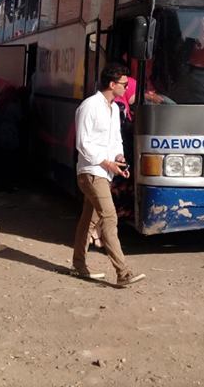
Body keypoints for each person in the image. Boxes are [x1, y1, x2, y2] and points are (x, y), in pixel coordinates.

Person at [71, 63, 145, 287]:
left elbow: (115, 140)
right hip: (91, 172)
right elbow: (82, 143)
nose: (127, 88)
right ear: (112, 84)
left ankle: (79, 264)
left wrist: (119, 159)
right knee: (110, 217)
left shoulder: (114, 109)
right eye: (124, 84)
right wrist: (106, 163)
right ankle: (123, 272)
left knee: (88, 219)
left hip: (105, 172)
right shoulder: (89, 106)